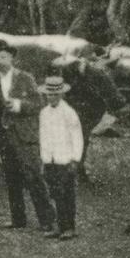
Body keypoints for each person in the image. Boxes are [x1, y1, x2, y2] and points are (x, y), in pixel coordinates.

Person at [0, 39, 55, 233]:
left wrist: (19, 105)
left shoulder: (26, 78)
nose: (0, 60)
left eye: (4, 56)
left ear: (12, 58)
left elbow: (39, 104)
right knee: (12, 179)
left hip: (25, 136)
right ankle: (18, 219)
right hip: (4, 137)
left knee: (34, 177)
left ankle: (47, 220)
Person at [38, 73, 84, 240]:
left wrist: (75, 159)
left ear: (62, 94)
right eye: (49, 94)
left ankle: (69, 227)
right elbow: (43, 136)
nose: (52, 97)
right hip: (50, 159)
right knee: (55, 193)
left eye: (55, 94)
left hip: (65, 159)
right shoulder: (44, 113)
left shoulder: (69, 112)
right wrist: (44, 158)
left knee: (67, 193)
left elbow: (77, 136)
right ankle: (59, 226)